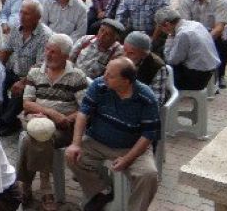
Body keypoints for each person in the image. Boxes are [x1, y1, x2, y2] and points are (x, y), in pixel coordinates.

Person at [65, 57, 160, 211]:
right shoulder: (99, 85)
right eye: (106, 72)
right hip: (97, 141)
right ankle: (101, 192)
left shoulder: (146, 97)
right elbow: (83, 113)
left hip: (131, 146)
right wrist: (76, 143)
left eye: (111, 75)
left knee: (149, 175)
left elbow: (148, 135)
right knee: (72, 155)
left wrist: (128, 159)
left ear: (126, 81)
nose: (104, 77)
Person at [18, 34, 88, 207]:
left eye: (53, 52)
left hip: (63, 128)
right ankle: (45, 186)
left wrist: (62, 119)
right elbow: (27, 103)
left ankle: (28, 185)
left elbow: (84, 110)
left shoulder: (77, 76)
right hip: (35, 119)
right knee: (38, 131)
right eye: (47, 50)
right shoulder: (35, 72)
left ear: (65, 56)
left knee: (32, 137)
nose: (48, 55)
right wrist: (49, 113)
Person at [0, 0, 52, 135]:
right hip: (13, 69)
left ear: (37, 18)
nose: (22, 16)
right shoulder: (16, 27)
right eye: (21, 12)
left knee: (18, 92)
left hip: (33, 76)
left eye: (26, 14)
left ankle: (8, 122)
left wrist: (23, 82)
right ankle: (1, 115)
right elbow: (6, 50)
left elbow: (40, 66)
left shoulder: (45, 35)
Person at [179, 0, 227, 88]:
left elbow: (219, 27)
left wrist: (205, 40)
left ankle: (220, 75)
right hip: (192, 34)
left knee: (226, 44)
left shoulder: (221, 1)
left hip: (213, 35)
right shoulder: (186, 0)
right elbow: (185, 24)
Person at [155, 7, 219, 91]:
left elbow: (171, 60)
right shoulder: (196, 24)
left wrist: (170, 37)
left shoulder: (183, 34)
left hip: (197, 77)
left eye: (160, 27)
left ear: (167, 24)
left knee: (160, 68)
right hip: (210, 70)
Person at [122, 31, 169, 107]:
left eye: (131, 53)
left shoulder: (157, 67)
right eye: (124, 50)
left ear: (144, 54)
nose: (125, 56)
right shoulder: (120, 57)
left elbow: (156, 100)